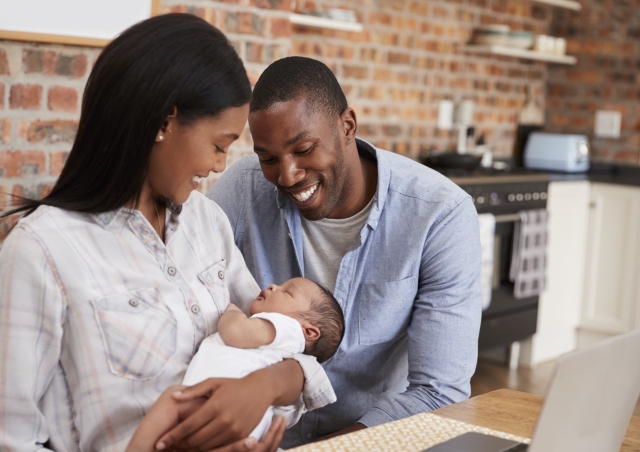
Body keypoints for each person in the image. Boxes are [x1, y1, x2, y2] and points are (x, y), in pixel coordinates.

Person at [0, 17, 335, 452]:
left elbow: (285, 345)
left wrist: (267, 386)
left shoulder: (207, 222)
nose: (219, 166)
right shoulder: (42, 252)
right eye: (218, 145)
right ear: (165, 121)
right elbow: (10, 439)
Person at [208, 56, 483, 448]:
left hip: (372, 442)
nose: (287, 175)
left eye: (303, 149)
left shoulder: (439, 214)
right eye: (268, 158)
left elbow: (440, 393)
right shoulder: (243, 189)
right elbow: (185, 271)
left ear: (347, 126)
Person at [127, 277, 345, 452]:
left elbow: (236, 333)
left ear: (309, 331)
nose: (273, 286)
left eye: (287, 291)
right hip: (237, 422)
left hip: (227, 409)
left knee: (172, 400)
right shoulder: (278, 340)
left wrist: (232, 311)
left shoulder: (288, 329)